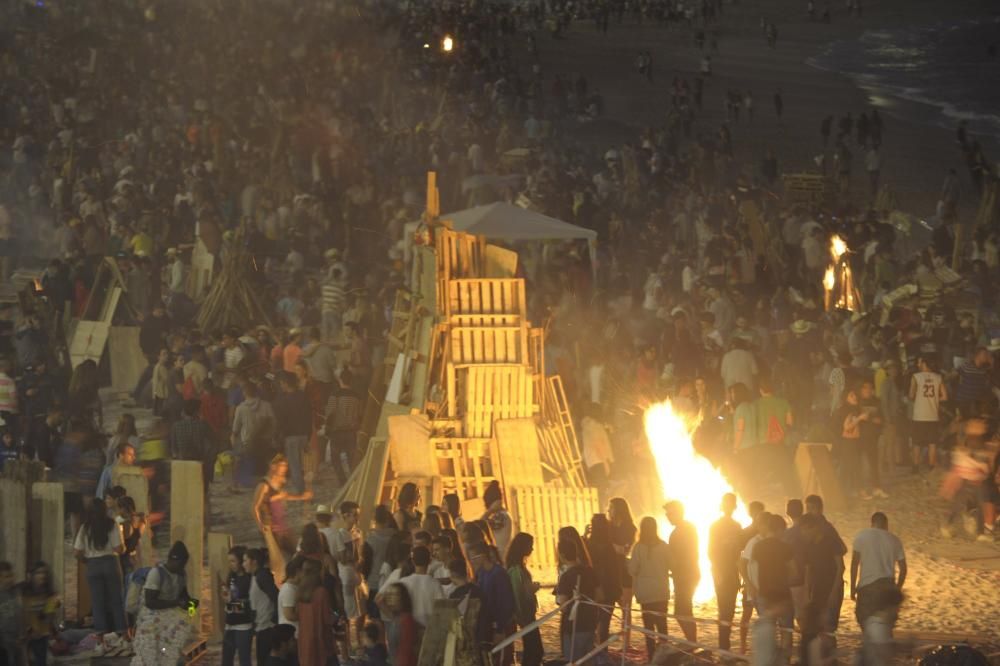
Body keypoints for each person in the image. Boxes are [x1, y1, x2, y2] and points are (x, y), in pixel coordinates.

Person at [131, 541, 196, 666]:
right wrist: (176, 603)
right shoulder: (156, 574)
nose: (183, 567)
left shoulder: (181, 574)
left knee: (170, 649)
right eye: (181, 564)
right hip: (151, 617)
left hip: (168, 616)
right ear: (173, 560)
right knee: (150, 654)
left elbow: (183, 595)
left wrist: (190, 604)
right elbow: (150, 602)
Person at [73, 498, 126, 644]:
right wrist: (123, 548)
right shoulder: (111, 524)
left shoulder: (85, 527)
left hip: (93, 566)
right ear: (104, 510)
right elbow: (118, 548)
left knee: (97, 603)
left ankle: (100, 640)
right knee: (116, 601)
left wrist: (87, 561)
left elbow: (77, 552)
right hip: (110, 563)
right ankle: (123, 635)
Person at [749, 514, 796, 664]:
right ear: (780, 529)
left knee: (767, 630)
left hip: (764, 593)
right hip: (783, 594)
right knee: (787, 631)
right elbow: (794, 571)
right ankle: (784, 661)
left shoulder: (758, 547)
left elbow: (753, 569)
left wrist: (754, 589)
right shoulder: (786, 547)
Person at [850, 512, 906, 637]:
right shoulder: (894, 540)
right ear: (886, 524)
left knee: (865, 622)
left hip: (867, 587)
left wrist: (853, 587)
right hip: (888, 586)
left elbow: (854, 564)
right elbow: (903, 568)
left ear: (872, 523)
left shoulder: (861, 536)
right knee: (886, 626)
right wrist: (897, 588)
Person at [628, 516, 671, 662]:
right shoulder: (664, 546)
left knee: (648, 628)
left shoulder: (638, 548)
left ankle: (652, 657)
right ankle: (664, 657)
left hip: (645, 593)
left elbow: (632, 569)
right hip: (661, 590)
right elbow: (671, 565)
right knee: (662, 625)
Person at [468, 541, 515, 665]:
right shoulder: (481, 573)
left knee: (502, 659)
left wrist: (500, 629)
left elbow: (505, 603)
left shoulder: (498, 574)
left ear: (483, 556)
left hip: (500, 625)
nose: (472, 561)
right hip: (489, 623)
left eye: (473, 558)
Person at [709, 493, 743, 651]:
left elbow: (739, 552)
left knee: (728, 612)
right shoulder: (716, 526)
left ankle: (725, 647)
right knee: (724, 611)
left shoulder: (737, 526)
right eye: (727, 504)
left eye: (731, 504)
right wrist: (718, 574)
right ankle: (724, 648)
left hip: (732, 572)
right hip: (722, 572)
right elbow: (711, 552)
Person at [555, 539, 598, 661]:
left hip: (573, 626)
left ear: (562, 555)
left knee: (573, 660)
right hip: (590, 623)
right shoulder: (589, 572)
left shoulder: (566, 577)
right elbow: (599, 596)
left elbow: (564, 606)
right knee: (588, 659)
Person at [584, 514, 621, 649]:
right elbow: (615, 571)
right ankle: (602, 653)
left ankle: (592, 652)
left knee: (591, 624)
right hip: (609, 590)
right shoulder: (610, 547)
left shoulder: (588, 546)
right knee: (604, 625)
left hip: (591, 589)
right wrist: (618, 591)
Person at [665, 500, 699, 642]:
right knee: (685, 610)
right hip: (688, 574)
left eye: (669, 513)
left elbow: (682, 555)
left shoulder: (679, 532)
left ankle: (692, 642)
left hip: (685, 575)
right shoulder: (687, 528)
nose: (667, 516)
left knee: (682, 611)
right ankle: (692, 641)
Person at [506, 534, 542, 666]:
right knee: (534, 650)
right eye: (530, 545)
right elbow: (518, 593)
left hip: (528, 614)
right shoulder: (515, 570)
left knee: (533, 649)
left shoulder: (520, 566)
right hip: (525, 616)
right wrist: (532, 589)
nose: (532, 549)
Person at [273, 372, 311, 496]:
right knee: (301, 463)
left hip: (291, 436)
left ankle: (300, 490)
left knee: (295, 464)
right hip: (304, 435)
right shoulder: (303, 396)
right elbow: (309, 416)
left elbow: (280, 421)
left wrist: (279, 435)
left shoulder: (283, 400)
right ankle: (303, 486)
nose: (281, 385)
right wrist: (308, 435)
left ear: (285, 383)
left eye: (282, 383)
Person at [295, 559, 338, 666]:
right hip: (320, 636)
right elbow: (327, 619)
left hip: (305, 636)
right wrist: (336, 616)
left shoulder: (300, 591)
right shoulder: (321, 592)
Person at [909, 356, 946, 470]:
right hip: (933, 416)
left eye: (920, 363)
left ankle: (915, 466)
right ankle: (931, 466)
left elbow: (911, 395)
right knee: (932, 443)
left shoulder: (916, 377)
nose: (918, 365)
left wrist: (920, 399)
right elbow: (944, 397)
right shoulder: (938, 377)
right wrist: (934, 399)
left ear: (924, 363)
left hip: (919, 415)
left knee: (916, 442)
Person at [20, 561, 60, 666]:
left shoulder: (49, 593)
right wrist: (29, 630)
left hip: (43, 634)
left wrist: (53, 604)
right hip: (28, 635)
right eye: (39, 573)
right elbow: (22, 613)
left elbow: (48, 616)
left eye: (44, 573)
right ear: (31, 575)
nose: (42, 576)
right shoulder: (24, 592)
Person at [244, 549, 278, 666]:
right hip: (261, 626)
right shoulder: (255, 576)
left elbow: (275, 596)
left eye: (245, 560)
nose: (243, 564)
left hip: (267, 627)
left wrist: (274, 619)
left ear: (254, 561)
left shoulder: (262, 576)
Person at [222, 546, 254, 666]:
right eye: (229, 561)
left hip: (243, 625)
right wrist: (227, 598)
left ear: (241, 561)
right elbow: (231, 598)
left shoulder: (248, 578)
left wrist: (232, 603)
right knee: (226, 658)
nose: (230, 564)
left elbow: (248, 604)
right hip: (230, 622)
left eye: (233, 561)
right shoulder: (232, 576)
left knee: (244, 659)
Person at [400, 546, 444, 630]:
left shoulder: (403, 582)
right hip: (429, 630)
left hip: (408, 629)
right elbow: (441, 609)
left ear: (412, 561)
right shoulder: (435, 584)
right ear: (430, 561)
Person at [481, 481, 513, 559]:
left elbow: (480, 525)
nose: (485, 505)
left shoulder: (500, 517)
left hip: (500, 557)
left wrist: (490, 511)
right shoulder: (503, 515)